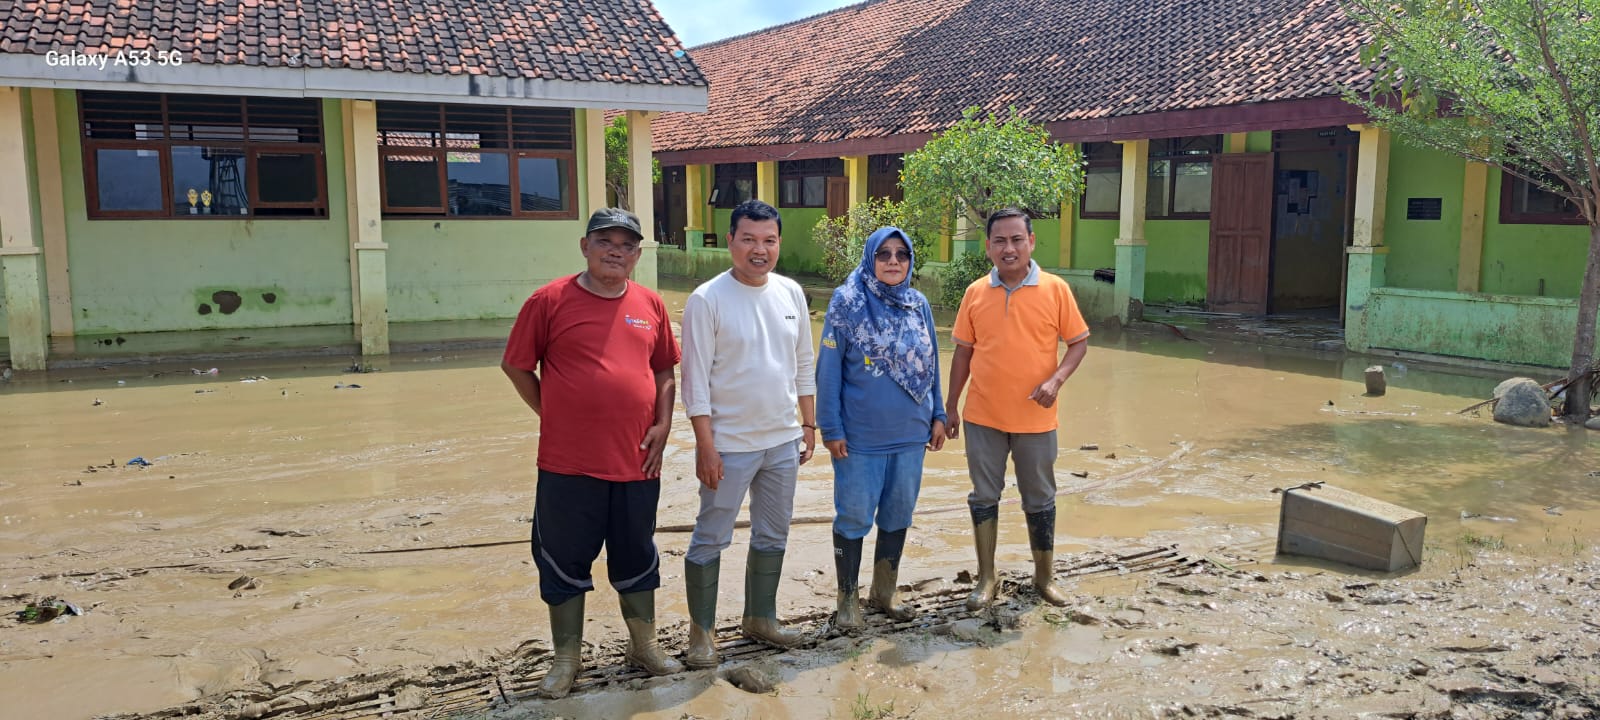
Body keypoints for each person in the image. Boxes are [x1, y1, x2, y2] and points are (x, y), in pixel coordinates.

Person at [501, 208, 683, 698]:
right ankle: (566, 661)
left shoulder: (650, 303)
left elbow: (665, 370)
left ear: (638, 254)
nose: (616, 251)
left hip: (637, 462)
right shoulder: (550, 300)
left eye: (626, 244)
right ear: (585, 246)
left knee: (638, 554)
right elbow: (517, 366)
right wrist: (552, 412)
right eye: (605, 241)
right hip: (568, 465)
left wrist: (664, 425)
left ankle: (643, 646)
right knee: (562, 561)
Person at [680, 199, 818, 666]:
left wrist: (809, 423)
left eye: (769, 241)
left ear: (778, 242)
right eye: (749, 240)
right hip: (729, 446)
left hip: (782, 441)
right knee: (710, 536)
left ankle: (761, 618)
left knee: (773, 532)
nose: (760, 250)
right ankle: (702, 634)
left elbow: (803, 363)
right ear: (731, 240)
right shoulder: (706, 299)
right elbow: (695, 381)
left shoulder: (791, 293)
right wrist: (706, 446)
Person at [944, 207, 1090, 611]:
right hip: (983, 417)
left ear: (1031, 242)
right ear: (987, 246)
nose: (1009, 248)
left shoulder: (1056, 289)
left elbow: (1078, 342)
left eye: (1016, 240)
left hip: (1036, 418)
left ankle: (1045, 578)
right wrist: (950, 406)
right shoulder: (975, 293)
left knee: (1040, 497)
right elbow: (963, 354)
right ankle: (986, 578)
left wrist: (1056, 380)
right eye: (1000, 241)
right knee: (984, 496)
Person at [817, 227, 947, 631]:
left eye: (902, 254)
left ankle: (885, 591)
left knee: (897, 513)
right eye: (884, 254)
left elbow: (932, 361)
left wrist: (939, 413)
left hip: (912, 433)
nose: (894, 261)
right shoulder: (847, 303)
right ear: (870, 258)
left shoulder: (917, 303)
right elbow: (828, 372)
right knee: (854, 516)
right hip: (860, 438)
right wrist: (830, 428)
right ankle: (848, 600)